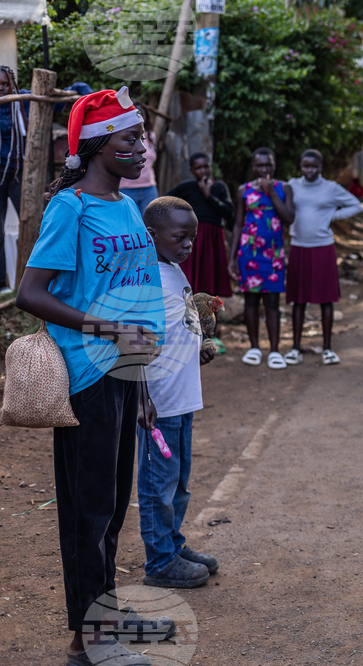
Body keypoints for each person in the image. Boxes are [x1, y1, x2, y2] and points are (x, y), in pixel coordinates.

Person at [16, 86, 174, 666]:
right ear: (100, 143)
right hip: (85, 375)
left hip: (124, 374)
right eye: (131, 138)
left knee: (111, 504)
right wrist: (108, 330)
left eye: (141, 138)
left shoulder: (126, 207)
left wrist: (142, 384)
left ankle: (105, 616)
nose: (141, 148)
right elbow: (31, 293)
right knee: (88, 510)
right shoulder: (71, 208)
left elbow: (135, 298)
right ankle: (88, 642)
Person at [136, 196, 219, 589]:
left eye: (192, 238)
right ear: (151, 235)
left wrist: (197, 348)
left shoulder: (172, 269)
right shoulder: (144, 279)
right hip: (159, 403)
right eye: (180, 237)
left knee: (179, 482)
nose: (188, 245)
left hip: (182, 397)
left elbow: (178, 326)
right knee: (159, 485)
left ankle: (173, 544)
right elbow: (133, 343)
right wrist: (142, 398)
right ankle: (159, 562)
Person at [284, 149, 361, 366]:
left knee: (326, 299)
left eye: (314, 166)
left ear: (321, 167)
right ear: (301, 166)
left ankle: (327, 349)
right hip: (299, 247)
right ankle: (295, 349)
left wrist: (332, 216)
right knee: (298, 300)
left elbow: (356, 204)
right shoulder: (292, 185)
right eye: (305, 166)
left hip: (323, 248)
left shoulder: (330, 188)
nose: (309, 170)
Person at [229, 147, 296, 369]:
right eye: (259, 165)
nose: (264, 169)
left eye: (268, 165)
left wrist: (271, 192)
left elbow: (289, 217)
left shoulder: (284, 188)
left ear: (274, 166)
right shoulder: (243, 190)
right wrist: (232, 258)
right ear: (253, 166)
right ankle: (254, 347)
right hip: (249, 254)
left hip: (273, 254)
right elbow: (238, 225)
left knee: (272, 302)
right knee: (251, 301)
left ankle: (275, 350)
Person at [165, 152, 234, 304]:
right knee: (188, 279)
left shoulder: (219, 187)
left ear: (211, 167)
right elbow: (164, 203)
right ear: (192, 170)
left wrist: (209, 196)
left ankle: (210, 317)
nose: (203, 171)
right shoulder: (186, 187)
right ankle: (188, 315)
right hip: (192, 239)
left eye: (206, 166)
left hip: (213, 238)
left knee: (210, 278)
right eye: (198, 168)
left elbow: (229, 213)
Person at [0, 65, 26, 295]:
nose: (2, 88)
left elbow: (57, 104)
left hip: (19, 172)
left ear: (13, 85)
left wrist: (81, 88)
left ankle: (32, 282)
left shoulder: (23, 101)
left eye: (5, 84)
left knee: (31, 224)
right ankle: (2, 285)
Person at [120, 109, 158, 215]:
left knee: (151, 221)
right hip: (126, 189)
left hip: (149, 188)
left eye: (141, 114)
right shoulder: (122, 137)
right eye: (136, 114)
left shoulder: (151, 136)